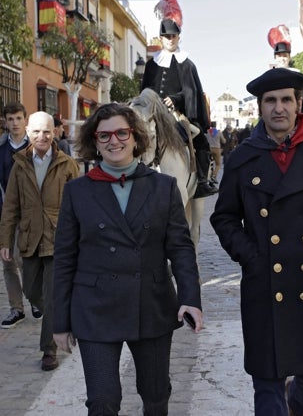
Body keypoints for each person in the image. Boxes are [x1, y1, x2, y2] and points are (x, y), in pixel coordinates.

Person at [211, 67, 303, 416]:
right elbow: (224, 217)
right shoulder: (242, 158)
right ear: (260, 107)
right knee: (267, 379)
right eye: (270, 101)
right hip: (264, 280)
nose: (278, 108)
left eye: (285, 100)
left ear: (298, 105)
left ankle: (297, 402)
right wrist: (250, 256)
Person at [53, 103, 202, 416]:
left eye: (122, 132)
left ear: (136, 138)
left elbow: (181, 248)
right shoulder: (77, 192)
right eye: (104, 135)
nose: (113, 141)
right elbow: (65, 259)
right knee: (102, 402)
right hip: (95, 310)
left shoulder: (163, 187)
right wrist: (60, 322)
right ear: (94, 141)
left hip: (151, 304)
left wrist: (190, 298)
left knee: (156, 395)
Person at [0, 111, 79, 371]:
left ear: (55, 132)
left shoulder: (67, 164)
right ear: (28, 133)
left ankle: (49, 351)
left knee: (52, 296)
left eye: (47, 131)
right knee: (31, 291)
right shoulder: (19, 164)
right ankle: (62, 318)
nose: (41, 136)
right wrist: (5, 240)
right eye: (36, 132)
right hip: (30, 238)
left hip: (59, 239)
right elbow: (10, 206)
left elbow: (80, 205)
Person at [140, 0, 216, 198]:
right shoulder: (151, 64)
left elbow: (192, 91)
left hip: (178, 114)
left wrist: (176, 100)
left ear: (178, 37)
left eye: (173, 36)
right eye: (166, 36)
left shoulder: (187, 63)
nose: (170, 39)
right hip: (155, 113)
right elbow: (145, 90)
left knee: (198, 136)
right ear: (161, 38)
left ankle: (202, 179)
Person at [0, 103, 40, 328]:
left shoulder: (36, 146)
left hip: (29, 214)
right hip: (3, 212)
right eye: (10, 119)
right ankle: (16, 309)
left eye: (18, 118)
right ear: (4, 121)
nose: (14, 123)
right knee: (7, 261)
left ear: (25, 120)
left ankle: (35, 300)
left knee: (25, 258)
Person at [269, 24, 303, 128]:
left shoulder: (297, 76)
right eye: (279, 55)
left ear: (289, 58)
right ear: (275, 57)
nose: (282, 58)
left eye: (285, 56)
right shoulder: (268, 78)